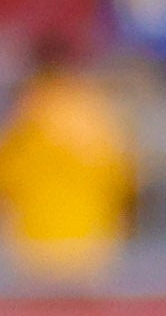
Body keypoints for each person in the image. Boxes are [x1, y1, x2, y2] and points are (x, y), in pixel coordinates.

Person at [0, 31, 138, 279]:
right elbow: (127, 182)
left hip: (33, 250)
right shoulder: (96, 111)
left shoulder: (24, 115)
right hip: (94, 250)